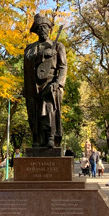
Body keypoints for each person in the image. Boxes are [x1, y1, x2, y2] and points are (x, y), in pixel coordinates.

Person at [24, 14, 67, 148]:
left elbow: (63, 66)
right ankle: (37, 138)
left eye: (45, 27)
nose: (42, 30)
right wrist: (42, 54)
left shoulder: (58, 46)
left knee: (49, 110)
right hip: (34, 86)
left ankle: (50, 137)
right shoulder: (31, 48)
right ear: (36, 31)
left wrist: (58, 83)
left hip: (50, 83)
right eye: (40, 28)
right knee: (35, 114)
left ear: (49, 29)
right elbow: (27, 60)